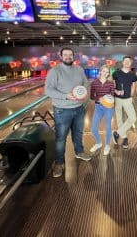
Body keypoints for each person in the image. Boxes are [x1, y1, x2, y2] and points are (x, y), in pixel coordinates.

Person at [45, 47, 91, 178]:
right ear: (60, 56)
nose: (68, 57)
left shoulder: (79, 69)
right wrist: (66, 96)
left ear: (73, 56)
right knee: (60, 138)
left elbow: (86, 84)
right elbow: (48, 90)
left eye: (70, 55)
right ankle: (59, 162)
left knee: (78, 133)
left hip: (79, 108)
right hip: (62, 110)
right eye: (65, 55)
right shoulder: (55, 71)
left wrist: (84, 94)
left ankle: (79, 151)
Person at [89, 65, 115, 155]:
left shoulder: (111, 83)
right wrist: (98, 98)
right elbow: (91, 96)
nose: (105, 73)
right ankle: (99, 143)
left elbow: (112, 95)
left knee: (108, 127)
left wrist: (110, 99)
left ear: (108, 73)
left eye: (107, 72)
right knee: (93, 128)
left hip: (108, 107)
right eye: (103, 71)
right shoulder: (94, 83)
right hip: (98, 106)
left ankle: (107, 145)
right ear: (100, 71)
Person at [112, 56, 137, 149]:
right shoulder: (116, 73)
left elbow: (133, 85)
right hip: (117, 99)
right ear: (122, 62)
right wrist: (116, 91)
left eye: (129, 61)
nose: (127, 62)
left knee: (133, 118)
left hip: (127, 99)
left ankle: (117, 133)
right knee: (119, 119)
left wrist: (131, 95)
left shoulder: (132, 74)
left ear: (131, 63)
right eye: (125, 61)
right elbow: (112, 86)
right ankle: (124, 138)